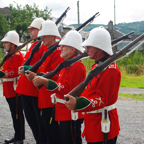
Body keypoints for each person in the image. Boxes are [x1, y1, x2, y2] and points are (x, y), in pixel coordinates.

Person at [65, 26, 121, 144]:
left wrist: (78, 103)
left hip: (102, 126)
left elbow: (101, 100)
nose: (86, 48)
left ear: (100, 48)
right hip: (94, 122)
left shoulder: (110, 69)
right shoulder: (97, 66)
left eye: (90, 46)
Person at [31, 30, 87, 144]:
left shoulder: (77, 66)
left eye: (64, 46)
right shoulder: (68, 64)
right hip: (63, 111)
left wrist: (47, 82)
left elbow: (66, 88)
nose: (60, 48)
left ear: (72, 49)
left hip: (70, 112)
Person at [25, 20, 64, 144]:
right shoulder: (48, 51)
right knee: (47, 131)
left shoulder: (57, 52)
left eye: (45, 35)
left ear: (53, 36)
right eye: (41, 35)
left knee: (53, 134)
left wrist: (35, 75)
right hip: (43, 97)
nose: (42, 38)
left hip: (50, 98)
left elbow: (56, 76)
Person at [16, 17, 48, 144]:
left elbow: (43, 67)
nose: (30, 31)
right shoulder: (35, 45)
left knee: (39, 122)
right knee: (32, 121)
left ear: (40, 30)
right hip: (25, 89)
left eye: (32, 29)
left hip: (33, 89)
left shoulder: (43, 46)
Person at [0, 30, 25, 144]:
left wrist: (3, 73)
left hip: (15, 90)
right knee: (14, 114)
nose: (4, 44)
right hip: (9, 90)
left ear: (13, 44)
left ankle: (20, 137)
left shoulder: (17, 56)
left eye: (6, 42)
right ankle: (17, 135)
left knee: (17, 114)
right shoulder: (9, 56)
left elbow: (15, 71)